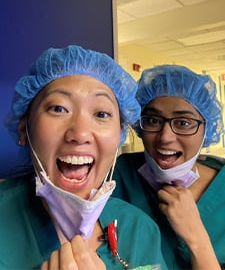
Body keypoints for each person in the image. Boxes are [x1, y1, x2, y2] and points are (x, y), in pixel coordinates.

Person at [2, 45, 167, 270]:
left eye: (101, 114)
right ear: (24, 130)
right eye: (59, 109)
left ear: (119, 137)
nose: (80, 134)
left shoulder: (139, 230)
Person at [113, 64, 223, 270]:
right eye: (153, 120)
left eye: (183, 123)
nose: (165, 137)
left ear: (206, 128)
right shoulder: (116, 177)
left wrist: (196, 236)